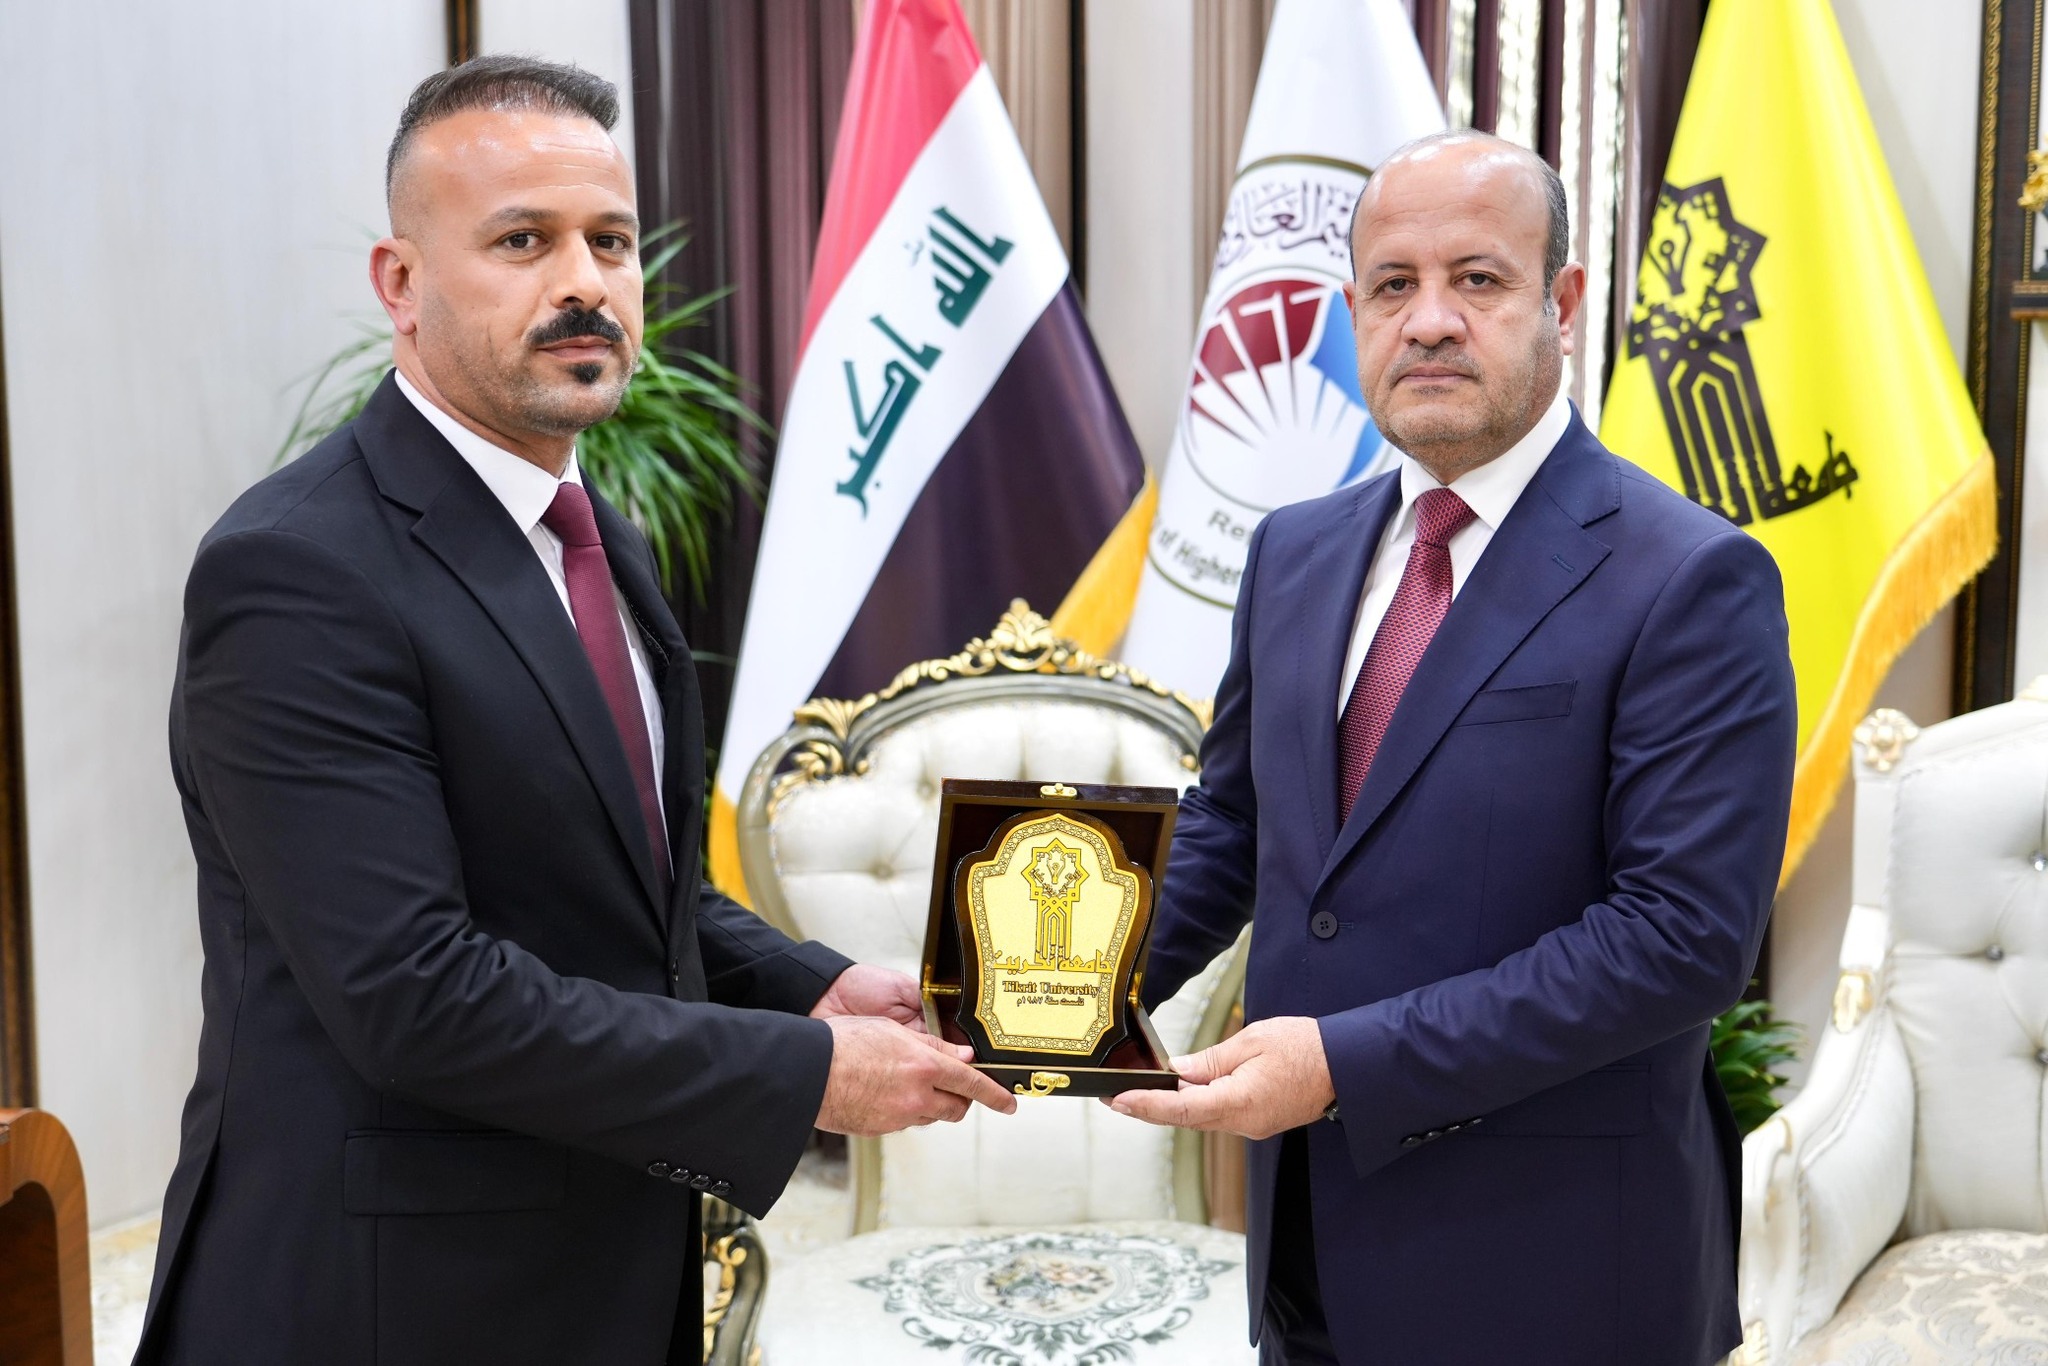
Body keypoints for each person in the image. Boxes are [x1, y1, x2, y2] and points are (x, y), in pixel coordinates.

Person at [135, 55, 1014, 1366]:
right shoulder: (297, 570)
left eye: (610, 240)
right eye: (521, 241)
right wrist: (801, 1072)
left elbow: (629, 894)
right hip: (386, 1298)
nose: (585, 283)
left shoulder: (601, 537)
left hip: (602, 1259)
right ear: (400, 281)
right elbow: (416, 996)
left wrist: (814, 983)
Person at [1110, 130, 1797, 1366]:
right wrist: (1036, 993)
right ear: (1352, 315)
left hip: (1559, 1274)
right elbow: (1239, 823)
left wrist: (1342, 1063)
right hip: (1310, 1255)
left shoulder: (1690, 576)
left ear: (1561, 303)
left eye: (1475, 279)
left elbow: (1679, 938)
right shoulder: (1292, 552)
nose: (1427, 320)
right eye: (1392, 285)